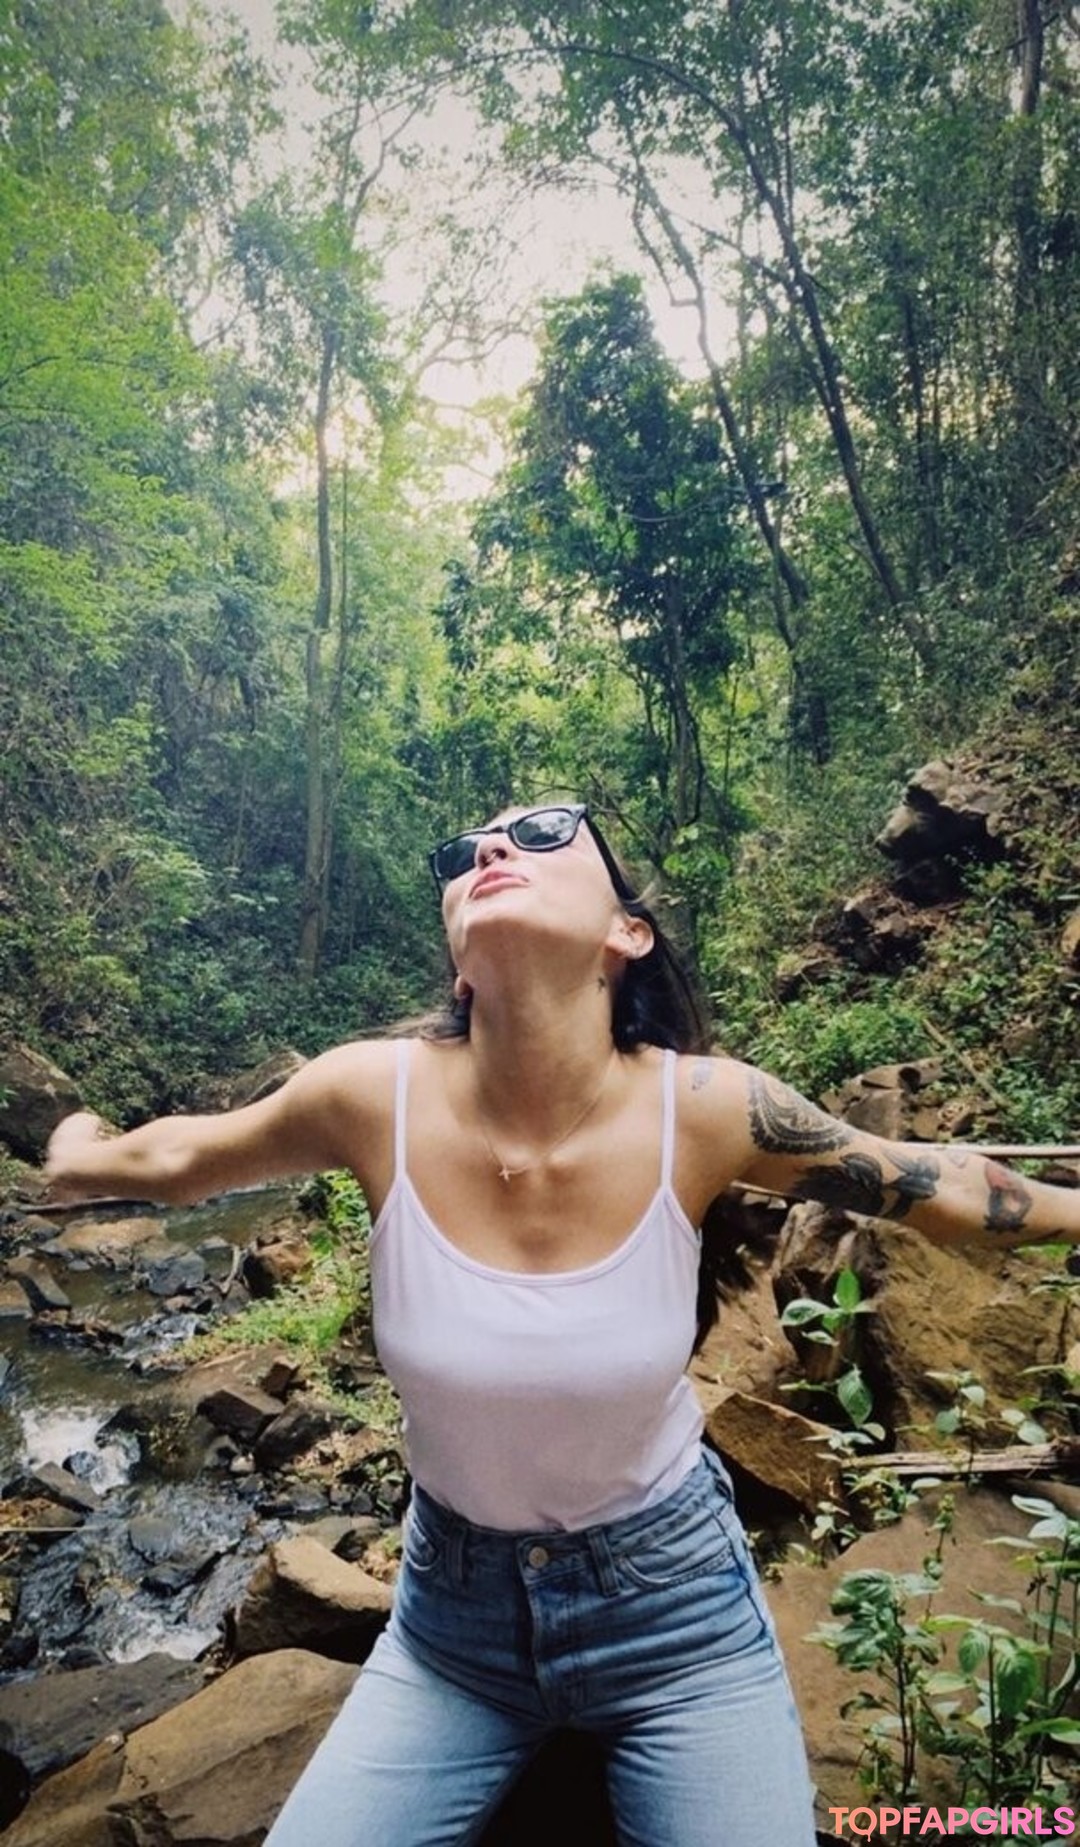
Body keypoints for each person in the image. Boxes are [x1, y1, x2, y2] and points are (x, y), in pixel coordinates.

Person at [45, 801, 1080, 1847]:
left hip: (678, 1624)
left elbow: (944, 1187)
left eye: (543, 833)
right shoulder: (371, 1094)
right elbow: (180, 1157)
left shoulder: (704, 1107)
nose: (492, 848)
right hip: (451, 1634)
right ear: (460, 965)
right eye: (465, 852)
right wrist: (75, 1144)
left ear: (626, 933)